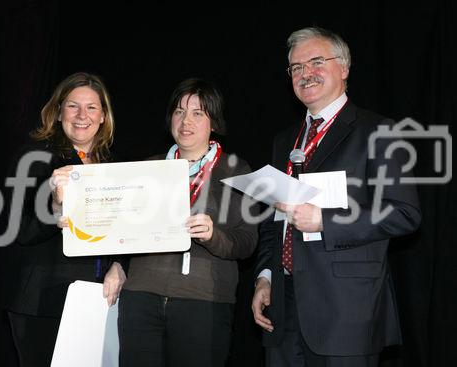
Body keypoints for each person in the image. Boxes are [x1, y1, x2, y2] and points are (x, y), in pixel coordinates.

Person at [251, 27, 421, 367]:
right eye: (296, 67)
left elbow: (404, 213)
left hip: (345, 311)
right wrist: (265, 278)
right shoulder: (285, 141)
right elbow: (274, 221)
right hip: (283, 310)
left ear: (343, 68)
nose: (305, 73)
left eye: (316, 62)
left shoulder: (378, 131)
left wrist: (325, 220)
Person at [118, 77, 259, 367]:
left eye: (198, 112)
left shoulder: (236, 170)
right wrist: (116, 264)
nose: (186, 120)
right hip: (140, 297)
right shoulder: (147, 168)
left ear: (214, 122)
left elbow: (247, 243)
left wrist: (213, 235)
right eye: (179, 111)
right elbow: (121, 231)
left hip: (202, 302)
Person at [7, 72, 126, 367]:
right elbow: (21, 231)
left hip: (96, 298)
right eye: (73, 106)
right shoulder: (33, 157)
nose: (81, 115)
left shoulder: (113, 165)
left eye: (91, 107)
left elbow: (124, 230)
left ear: (103, 116)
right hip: (41, 300)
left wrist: (120, 266)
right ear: (58, 112)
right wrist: (56, 207)